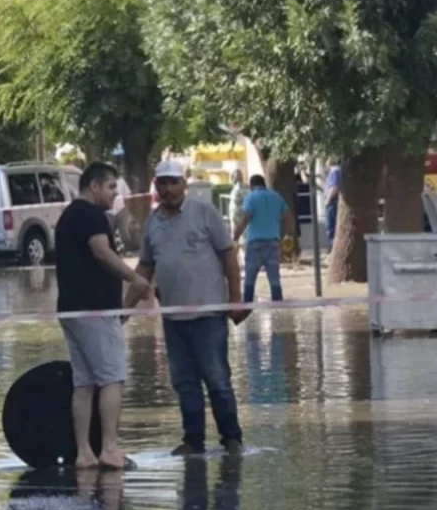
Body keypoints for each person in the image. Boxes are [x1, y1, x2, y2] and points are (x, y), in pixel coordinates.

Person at [131, 160, 246, 456]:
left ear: (184, 183)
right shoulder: (152, 223)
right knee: (184, 382)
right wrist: (122, 312)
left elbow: (228, 256)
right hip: (173, 319)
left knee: (217, 379)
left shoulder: (203, 212)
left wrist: (235, 299)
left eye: (173, 182)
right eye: (162, 183)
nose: (167, 189)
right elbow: (143, 269)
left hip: (209, 315)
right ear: (156, 186)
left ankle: (231, 438)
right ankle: (193, 441)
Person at [54, 161, 152, 470]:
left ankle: (84, 453)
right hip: (95, 310)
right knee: (112, 378)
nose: (115, 195)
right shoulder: (91, 215)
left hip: (71, 310)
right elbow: (101, 251)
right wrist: (133, 278)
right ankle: (109, 448)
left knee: (84, 381)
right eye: (111, 187)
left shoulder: (69, 215)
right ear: (94, 186)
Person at [234, 174, 295, 308]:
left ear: (251, 186)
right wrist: (288, 235)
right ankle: (278, 309)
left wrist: (235, 237)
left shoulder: (251, 198)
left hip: (255, 243)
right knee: (274, 278)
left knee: (250, 278)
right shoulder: (276, 197)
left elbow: (245, 219)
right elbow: (288, 217)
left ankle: (248, 308)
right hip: (273, 242)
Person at [324, 161, 341, 248]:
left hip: (332, 202)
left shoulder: (334, 171)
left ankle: (331, 248)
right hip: (334, 201)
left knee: (330, 227)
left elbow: (334, 187)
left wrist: (328, 200)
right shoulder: (338, 170)